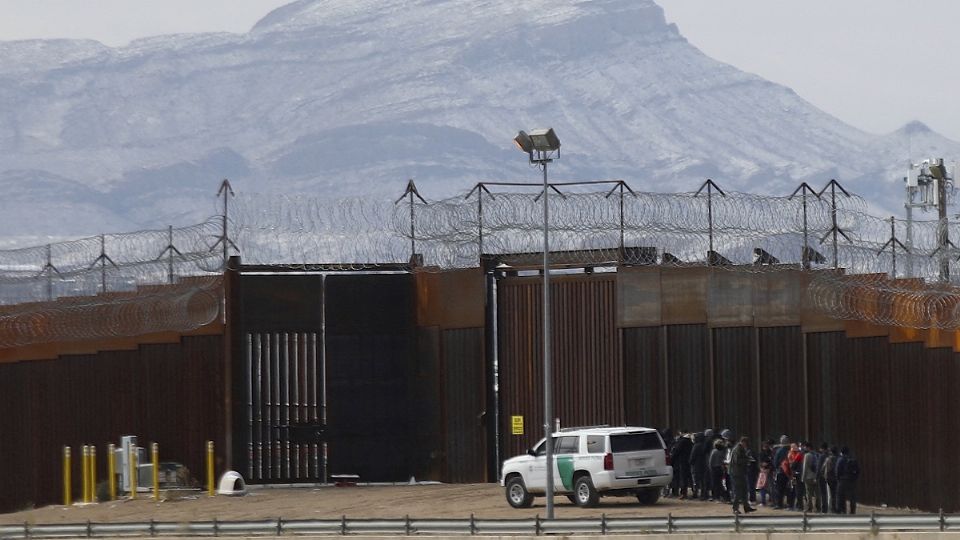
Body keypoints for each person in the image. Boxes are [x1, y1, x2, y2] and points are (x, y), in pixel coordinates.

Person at [728, 436, 756, 514]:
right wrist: (747, 460)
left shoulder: (740, 449)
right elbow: (737, 461)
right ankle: (735, 508)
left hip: (740, 473)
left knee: (744, 490)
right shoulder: (737, 449)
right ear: (743, 442)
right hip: (736, 473)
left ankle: (746, 507)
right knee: (738, 491)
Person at [835, 446, 860, 514]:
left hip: (843, 480)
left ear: (842, 452)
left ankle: (842, 510)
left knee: (840, 495)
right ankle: (852, 511)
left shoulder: (840, 460)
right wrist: (854, 478)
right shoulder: (853, 459)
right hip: (852, 480)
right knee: (852, 496)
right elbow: (858, 471)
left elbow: (837, 471)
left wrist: (839, 479)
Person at [670, 430, 693, 498]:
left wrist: (671, 459)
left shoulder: (681, 441)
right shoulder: (691, 441)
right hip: (690, 461)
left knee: (683, 478)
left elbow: (676, 451)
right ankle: (694, 492)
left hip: (682, 461)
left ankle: (683, 493)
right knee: (690, 478)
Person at [772, 435, 790, 509]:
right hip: (790, 472)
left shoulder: (779, 451)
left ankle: (779, 504)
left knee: (779, 489)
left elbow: (775, 462)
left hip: (781, 471)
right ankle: (790, 504)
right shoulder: (790, 450)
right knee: (789, 489)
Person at [801, 440, 820, 512]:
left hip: (808, 477)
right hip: (816, 477)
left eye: (805, 447)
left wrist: (803, 478)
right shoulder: (817, 455)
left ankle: (809, 508)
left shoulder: (807, 455)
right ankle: (818, 507)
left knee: (808, 493)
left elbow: (805, 467)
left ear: (808, 447)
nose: (804, 448)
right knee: (817, 493)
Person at [690, 431, 707, 500]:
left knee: (696, 480)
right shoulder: (705, 445)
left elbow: (692, 456)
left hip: (696, 465)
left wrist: (690, 462)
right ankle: (704, 494)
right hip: (704, 464)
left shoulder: (696, 446)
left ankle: (695, 493)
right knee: (703, 480)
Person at [821, 446, 839, 513]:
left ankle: (831, 508)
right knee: (837, 494)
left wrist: (824, 476)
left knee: (830, 495)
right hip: (837, 479)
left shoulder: (828, 459)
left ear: (831, 452)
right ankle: (837, 508)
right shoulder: (838, 459)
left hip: (829, 479)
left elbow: (822, 469)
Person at [816, 442, 829, 513]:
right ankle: (831, 508)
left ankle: (824, 509)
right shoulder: (829, 455)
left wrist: (816, 477)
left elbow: (818, 467)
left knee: (823, 493)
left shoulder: (821, 456)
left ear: (822, 449)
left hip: (822, 477)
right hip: (830, 477)